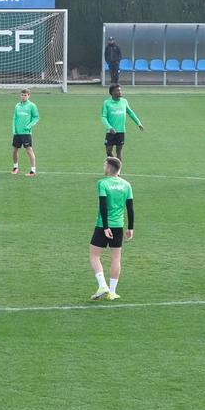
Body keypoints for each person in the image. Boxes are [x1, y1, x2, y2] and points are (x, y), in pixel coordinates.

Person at [90, 157, 133, 301]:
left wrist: (105, 226)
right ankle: (112, 292)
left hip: (103, 225)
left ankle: (102, 285)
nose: (103, 166)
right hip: (118, 226)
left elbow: (103, 205)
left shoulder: (102, 183)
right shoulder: (126, 185)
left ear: (109, 167)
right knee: (116, 258)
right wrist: (130, 227)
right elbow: (130, 208)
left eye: (104, 164)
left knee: (94, 256)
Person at [101, 84, 144, 162]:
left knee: (119, 152)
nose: (120, 92)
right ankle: (115, 164)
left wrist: (138, 123)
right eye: (117, 90)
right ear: (112, 92)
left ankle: (117, 172)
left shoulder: (124, 101)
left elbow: (130, 113)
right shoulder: (107, 103)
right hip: (110, 131)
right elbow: (103, 117)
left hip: (121, 131)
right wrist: (109, 127)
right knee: (108, 151)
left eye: (120, 90)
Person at [11, 89, 39, 176]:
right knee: (15, 150)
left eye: (25, 95)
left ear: (29, 95)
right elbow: (14, 118)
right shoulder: (17, 106)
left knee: (29, 150)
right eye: (22, 95)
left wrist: (29, 126)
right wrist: (13, 129)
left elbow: (36, 117)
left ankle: (33, 170)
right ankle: (15, 167)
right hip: (17, 133)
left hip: (26, 133)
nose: (23, 96)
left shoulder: (32, 106)